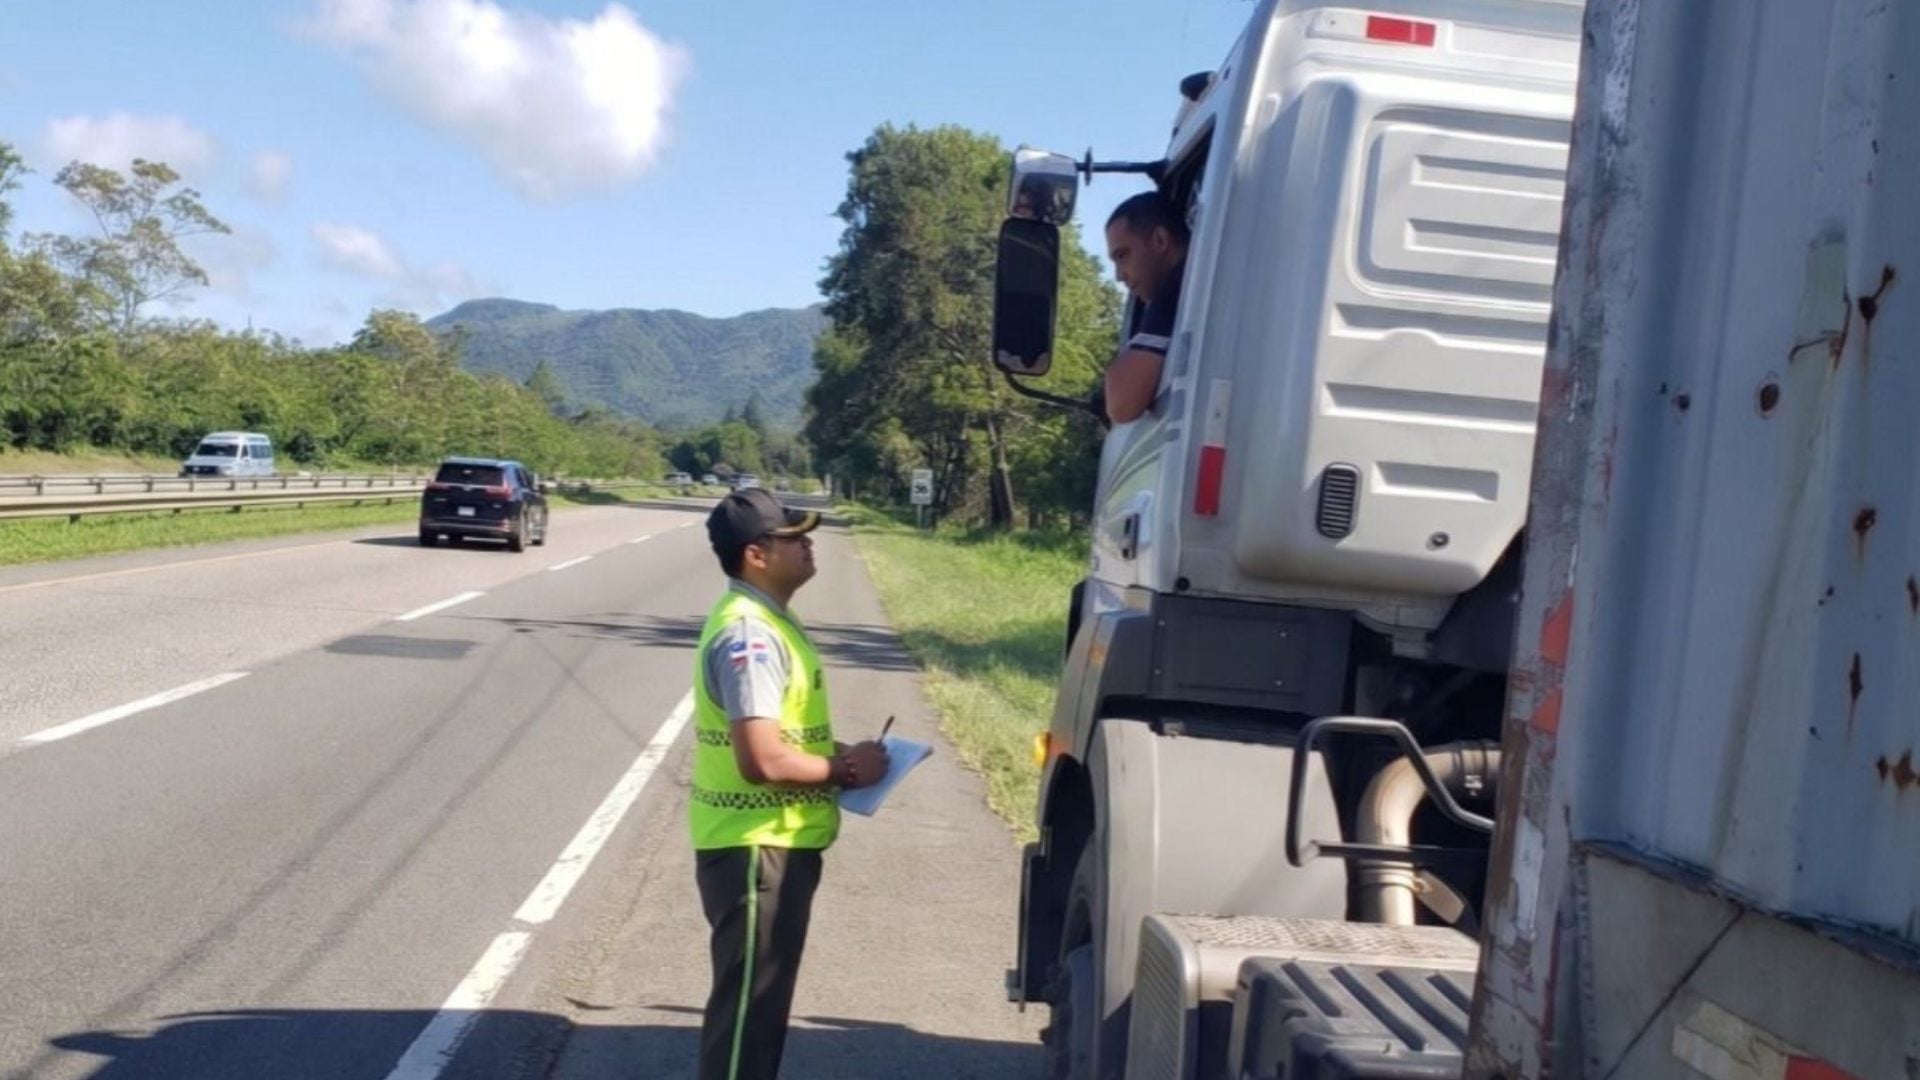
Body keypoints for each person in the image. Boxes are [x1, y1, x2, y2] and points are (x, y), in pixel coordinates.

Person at [691, 488, 891, 1080]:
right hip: (758, 848)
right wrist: (846, 770)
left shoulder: (770, 622)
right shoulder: (751, 638)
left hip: (768, 845)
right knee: (746, 1026)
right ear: (756, 554)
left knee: (759, 1016)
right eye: (793, 537)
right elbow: (763, 760)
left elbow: (784, 741)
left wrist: (839, 752)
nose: (807, 544)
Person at [1100, 190, 1191, 425]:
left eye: (1122, 256)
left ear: (1160, 240)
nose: (1119, 276)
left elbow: (1121, 405)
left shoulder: (1179, 291)